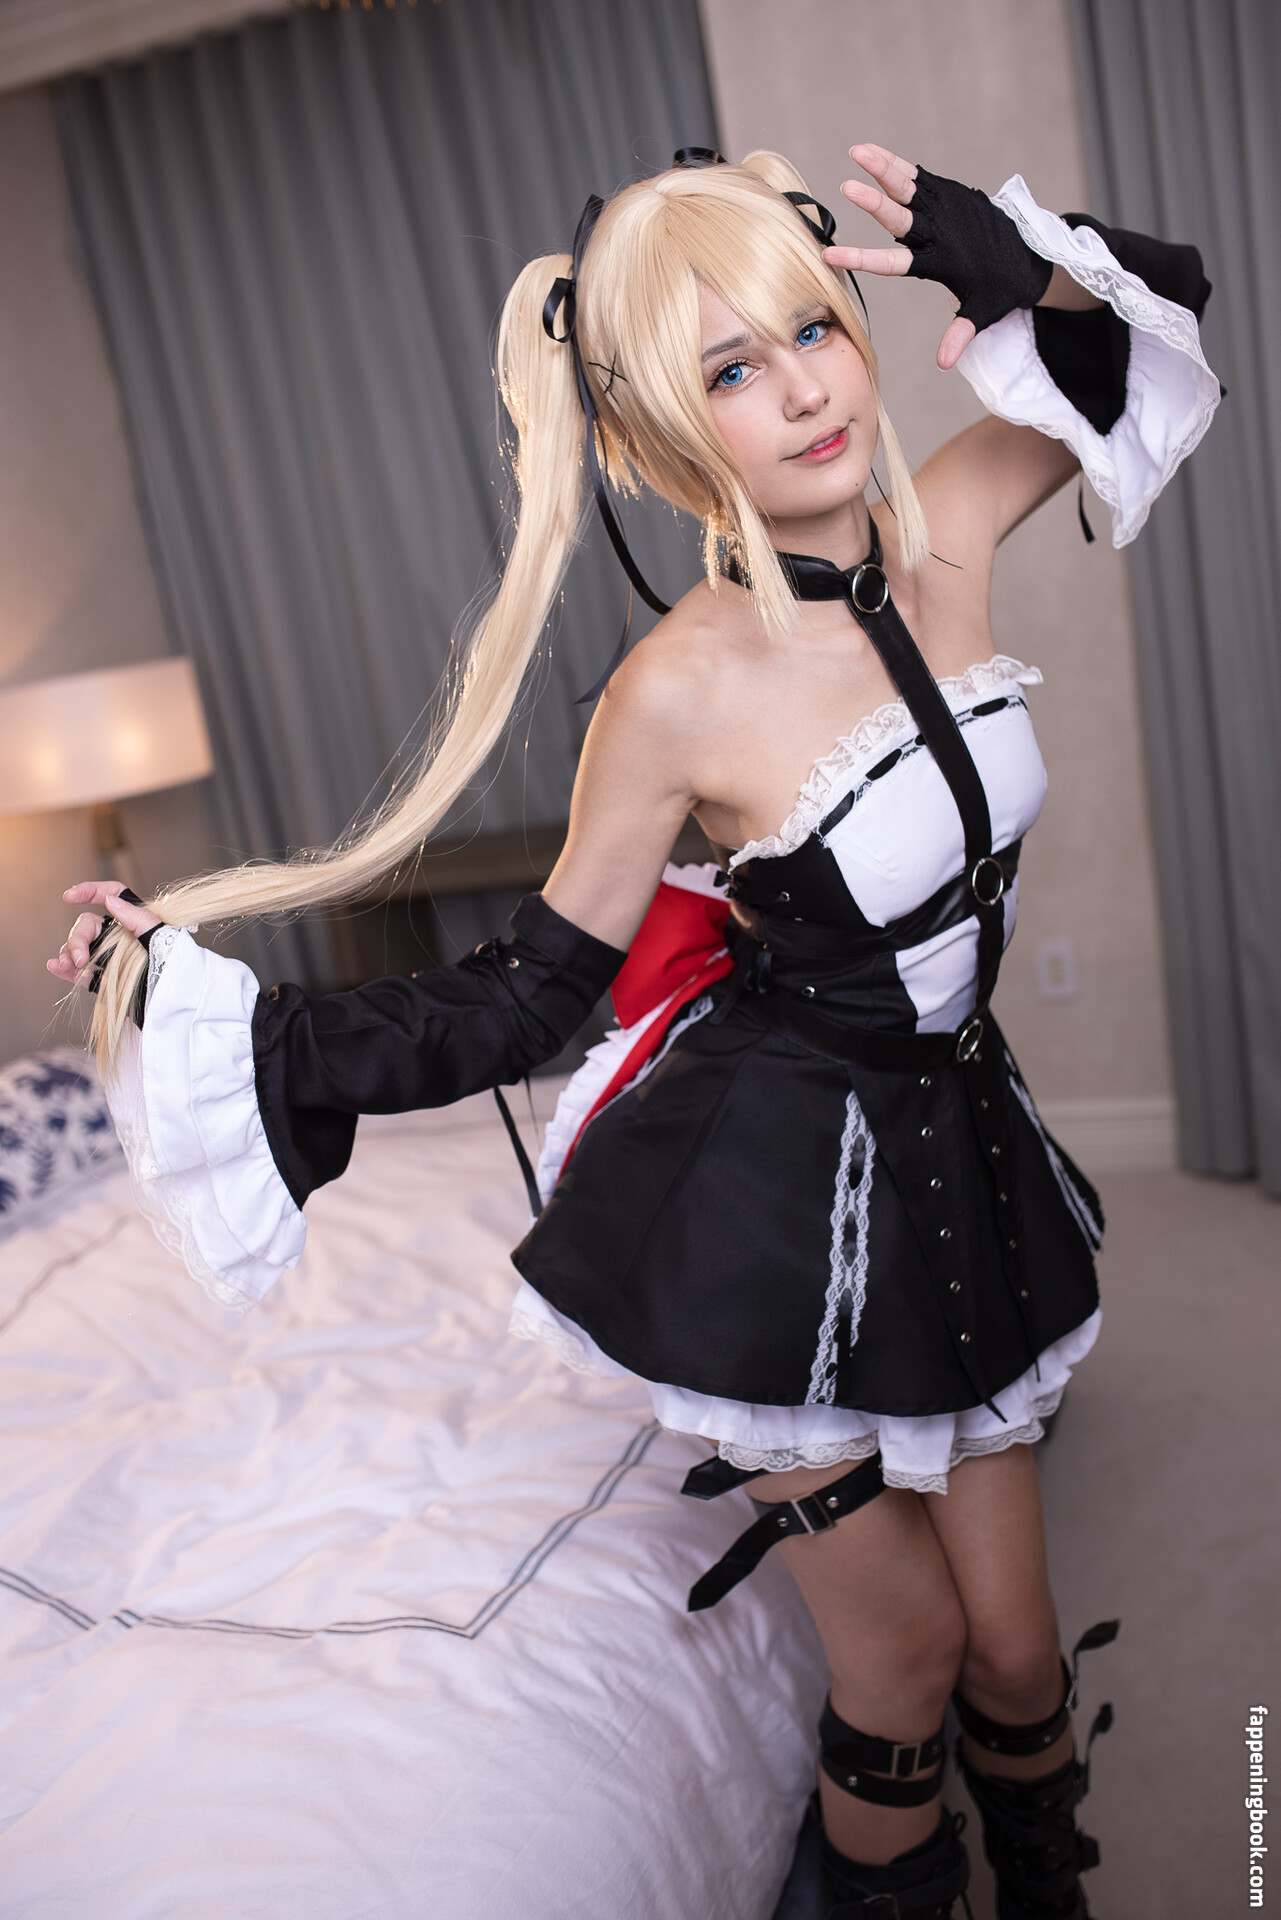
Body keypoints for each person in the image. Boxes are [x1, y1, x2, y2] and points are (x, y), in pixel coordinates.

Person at [50, 142, 1218, 1919]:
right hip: (770, 1209)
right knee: (904, 1668)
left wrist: (1011, 263)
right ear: (668, 436)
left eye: (811, 331)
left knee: (1015, 1653)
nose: (805, 391)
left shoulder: (950, 528)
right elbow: (527, 989)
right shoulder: (678, 686)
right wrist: (209, 1006)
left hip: (961, 1144)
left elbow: (1149, 341)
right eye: (733, 370)